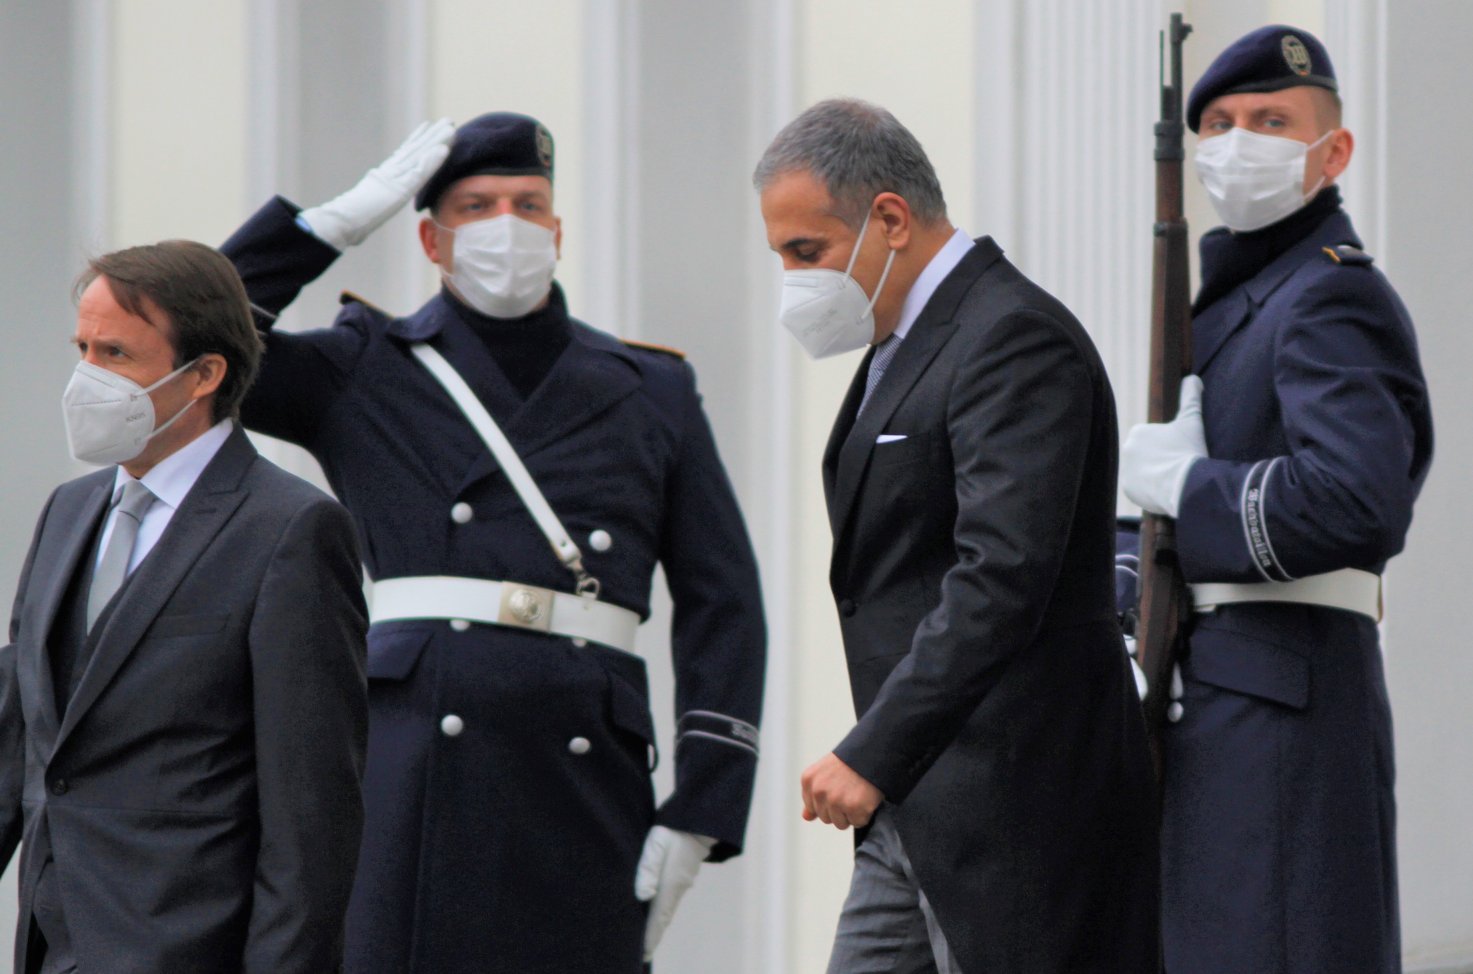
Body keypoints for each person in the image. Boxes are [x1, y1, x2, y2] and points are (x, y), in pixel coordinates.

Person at [219, 112, 766, 973]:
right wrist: (322, 229)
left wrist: (704, 803)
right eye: (476, 206)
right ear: (430, 239)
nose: (505, 226)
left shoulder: (650, 388)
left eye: (526, 204)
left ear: (557, 230)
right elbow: (194, 350)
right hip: (410, 765)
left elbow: (722, 600)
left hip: (583, 765)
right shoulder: (364, 365)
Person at [754, 98, 1159, 974]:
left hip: (1020, 804)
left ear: (889, 219)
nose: (791, 280)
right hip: (918, 803)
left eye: (805, 252)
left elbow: (1001, 576)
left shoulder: (1010, 335)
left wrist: (874, 751)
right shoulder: (910, 341)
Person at [1122, 25, 1433, 974]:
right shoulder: (1237, 305)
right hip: (1215, 705)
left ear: (1331, 152)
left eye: (1269, 121)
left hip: (1281, 719)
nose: (1235, 143)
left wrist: (1190, 489)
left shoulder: (1329, 296)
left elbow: (1354, 499)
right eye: (1217, 124)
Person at [0, 241, 368, 974]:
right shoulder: (69, 511)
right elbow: (19, 739)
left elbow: (311, 815)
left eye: (116, 354)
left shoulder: (290, 529)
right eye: (83, 349)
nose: (87, 377)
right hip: (53, 943)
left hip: (192, 947)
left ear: (204, 374)